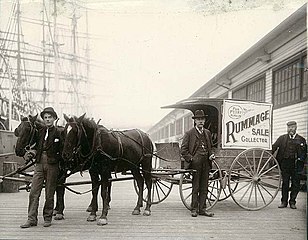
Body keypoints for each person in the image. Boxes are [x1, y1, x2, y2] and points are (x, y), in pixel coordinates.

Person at [20, 107, 63, 228]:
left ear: (54, 118)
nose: (48, 120)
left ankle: (47, 218)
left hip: (52, 165)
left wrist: (58, 160)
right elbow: (35, 147)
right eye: (45, 118)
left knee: (49, 193)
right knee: (34, 192)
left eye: (50, 117)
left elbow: (63, 150)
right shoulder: (40, 132)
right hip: (39, 164)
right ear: (43, 119)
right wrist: (32, 153)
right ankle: (31, 219)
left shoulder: (59, 133)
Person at [181, 110, 215, 217]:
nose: (200, 121)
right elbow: (183, 150)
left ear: (204, 121)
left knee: (204, 187)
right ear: (195, 121)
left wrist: (211, 155)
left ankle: (202, 209)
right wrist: (191, 159)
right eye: (198, 119)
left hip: (206, 162)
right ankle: (194, 209)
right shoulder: (189, 134)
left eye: (202, 119)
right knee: (196, 186)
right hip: (195, 164)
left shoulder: (207, 133)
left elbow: (210, 147)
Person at [272, 121, 307, 209]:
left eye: (292, 127)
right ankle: (284, 202)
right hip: (285, 164)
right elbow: (274, 147)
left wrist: (300, 159)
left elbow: (304, 153)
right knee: (285, 183)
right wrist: (268, 155)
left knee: (295, 184)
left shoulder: (301, 139)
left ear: (296, 128)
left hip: (296, 165)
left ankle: (292, 202)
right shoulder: (282, 138)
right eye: (289, 127)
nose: (290, 129)